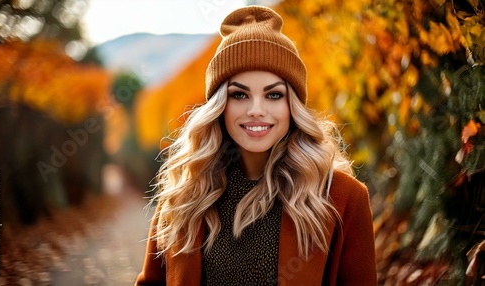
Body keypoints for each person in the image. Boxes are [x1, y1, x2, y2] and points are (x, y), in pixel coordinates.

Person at [135, 5, 377, 286]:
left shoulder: (343, 199)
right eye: (239, 95)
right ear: (219, 106)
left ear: (292, 106)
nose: (256, 110)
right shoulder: (184, 197)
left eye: (274, 95)